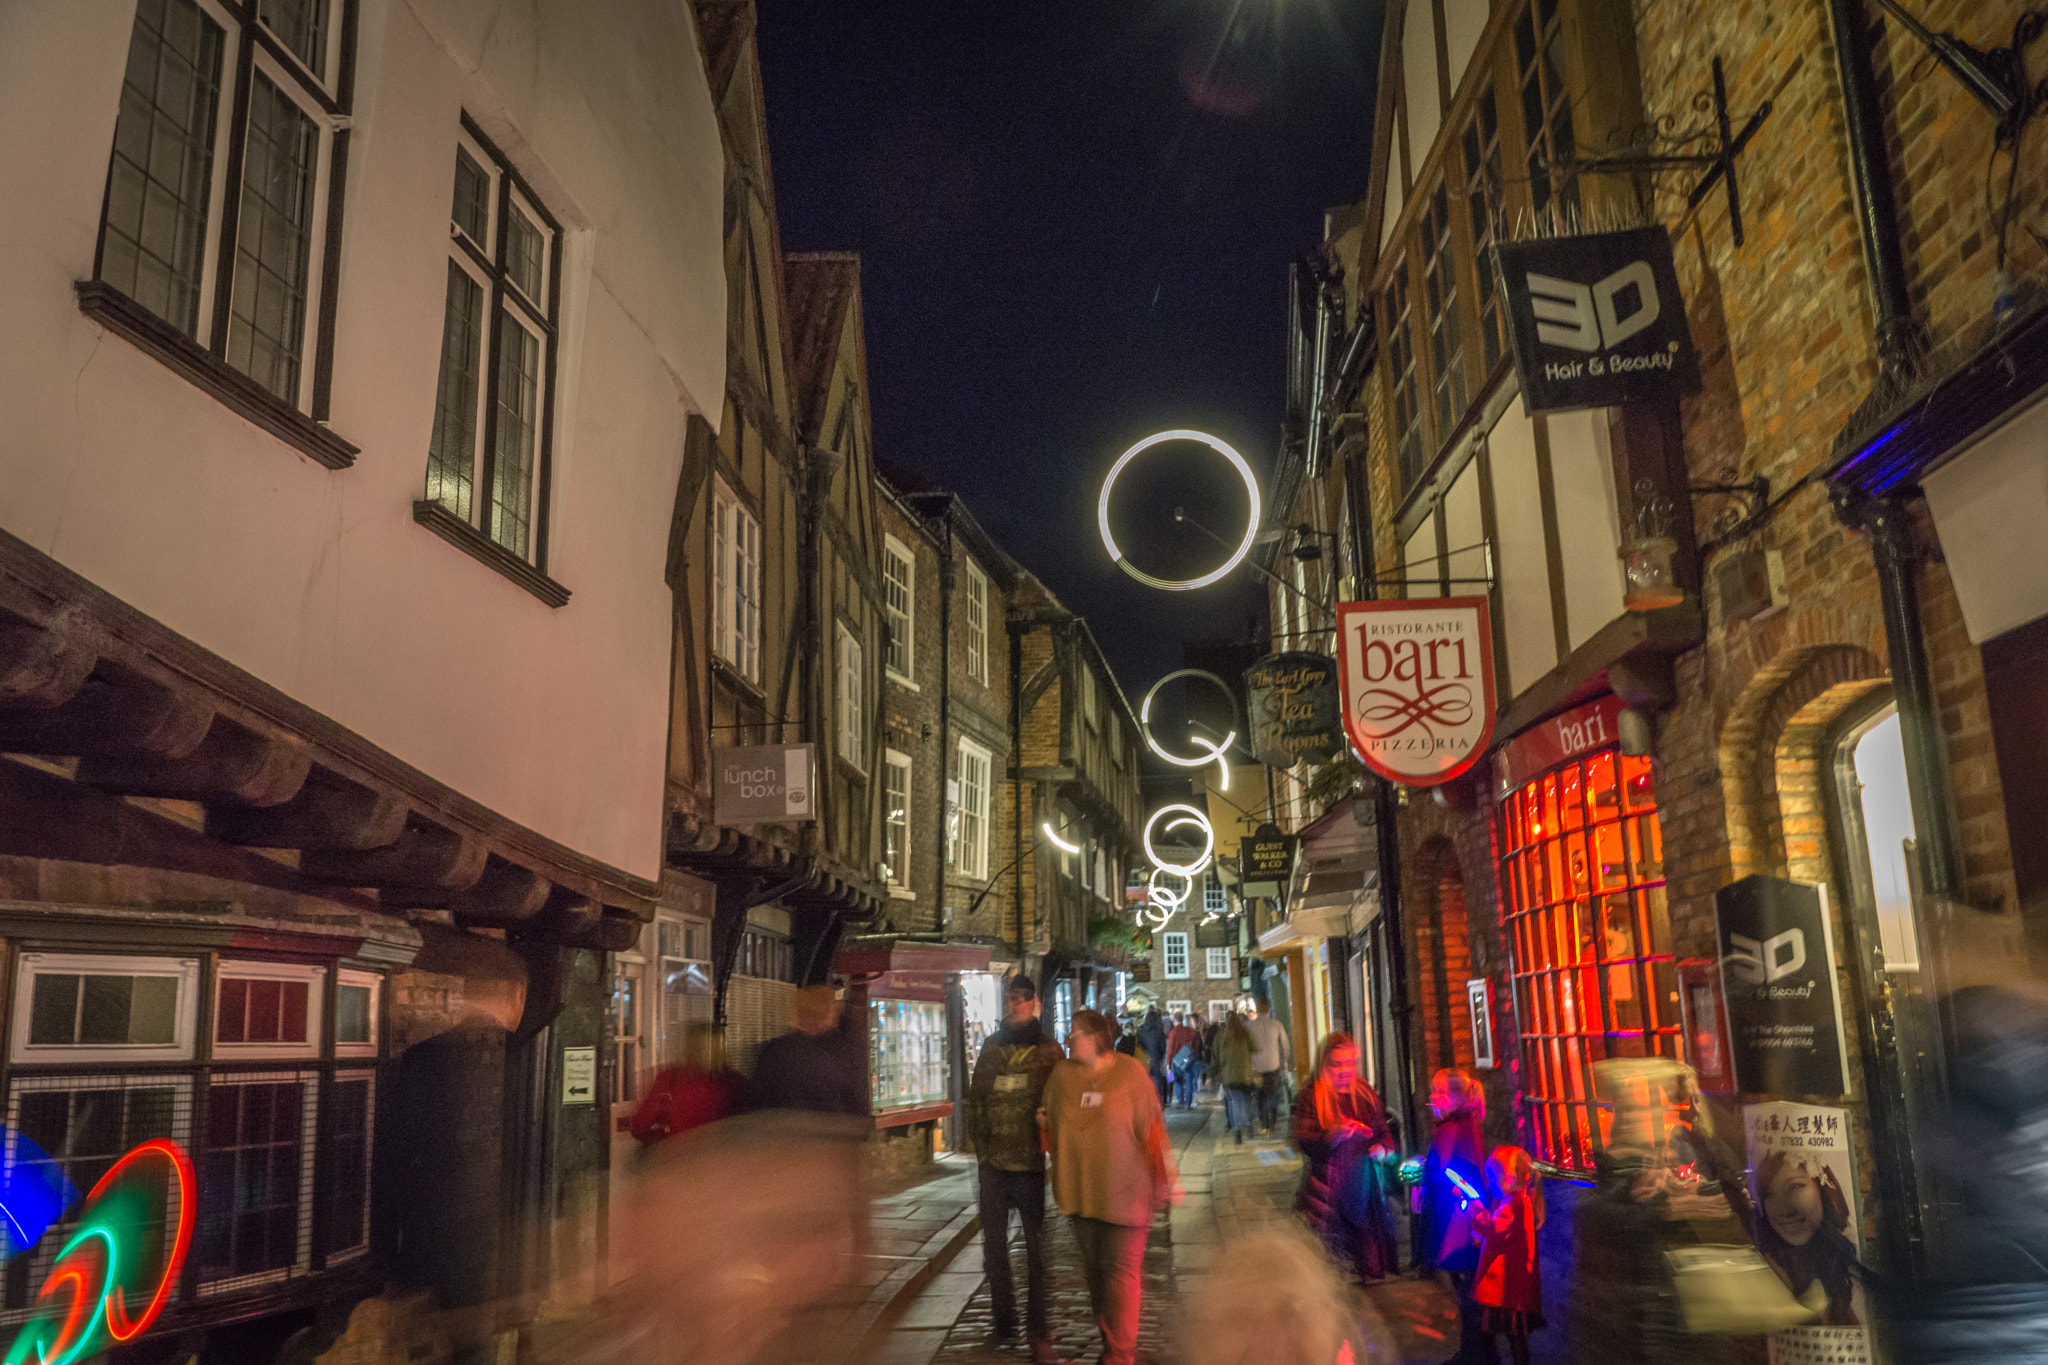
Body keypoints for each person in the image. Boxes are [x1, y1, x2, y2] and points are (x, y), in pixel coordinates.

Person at [1041, 1008, 1182, 1365]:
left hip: (1127, 1193)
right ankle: (1111, 1343)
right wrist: (1041, 1124)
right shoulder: (1062, 1076)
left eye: (1075, 1034)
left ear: (1096, 1038)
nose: (1069, 1040)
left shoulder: (1129, 1074)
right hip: (1081, 1192)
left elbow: (1152, 1132)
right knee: (1096, 1276)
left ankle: (1121, 1353)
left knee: (1121, 1273)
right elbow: (1049, 1125)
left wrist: (1167, 1179)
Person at [966, 976, 1065, 1362]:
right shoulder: (991, 1046)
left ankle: (1038, 1330)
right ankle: (1002, 1321)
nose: (1017, 1003)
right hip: (993, 1165)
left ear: (1035, 1003)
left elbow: (1061, 1099)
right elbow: (977, 1098)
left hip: (1028, 1164)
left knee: (1036, 1251)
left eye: (1024, 998)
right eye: (1012, 997)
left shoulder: (1048, 1050)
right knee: (993, 1250)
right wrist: (981, 1150)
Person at [1293, 1032, 1399, 1283]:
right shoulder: (1312, 1096)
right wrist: (1334, 1136)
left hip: (1363, 1192)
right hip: (1326, 1197)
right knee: (1327, 1273)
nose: (1344, 1071)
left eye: (1349, 1063)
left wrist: (1382, 1150)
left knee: (1367, 1272)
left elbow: (1385, 1134)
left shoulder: (1364, 1094)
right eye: (1337, 1064)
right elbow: (1304, 1141)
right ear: (1324, 1064)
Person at [1420, 1067, 1492, 1365]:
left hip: (1457, 1225)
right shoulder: (1468, 1123)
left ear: (1454, 1099)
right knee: (1470, 1291)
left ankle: (1476, 1355)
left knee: (1467, 1292)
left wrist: (1419, 1173)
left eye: (1438, 1093)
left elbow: (1444, 1172)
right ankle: (1479, 1352)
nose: (1432, 1098)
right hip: (1466, 1220)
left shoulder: (1450, 1129)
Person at [746, 985, 868, 1119]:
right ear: (824, 1015)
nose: (835, 1020)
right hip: (823, 1135)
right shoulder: (837, 1056)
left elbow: (756, 1105)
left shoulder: (771, 1051)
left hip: (776, 1134)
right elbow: (853, 1106)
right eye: (834, 1012)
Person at [1473, 1145, 1546, 1365]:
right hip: (1514, 1286)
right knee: (1516, 1338)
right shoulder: (1520, 1199)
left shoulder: (1511, 1205)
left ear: (1508, 1178)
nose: (1488, 1184)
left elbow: (1493, 1231)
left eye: (1491, 1179)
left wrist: (1474, 1209)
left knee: (1511, 1337)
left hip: (1506, 1289)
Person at [629, 1024, 746, 1147]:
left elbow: (639, 1127)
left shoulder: (669, 1079)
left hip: (680, 1158)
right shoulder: (734, 1082)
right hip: (722, 1158)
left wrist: (664, 1140)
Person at [1245, 998, 1292, 1133]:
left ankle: (1263, 1123)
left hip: (1256, 1067)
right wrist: (1284, 1060)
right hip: (1273, 1065)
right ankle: (1273, 1121)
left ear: (1257, 1010)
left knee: (1260, 1096)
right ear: (1269, 1010)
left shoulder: (1249, 1026)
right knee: (1272, 1094)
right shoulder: (1277, 1025)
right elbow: (1285, 1045)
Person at [1214, 1011, 1258, 1144]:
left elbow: (1216, 1057)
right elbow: (1254, 1048)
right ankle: (1249, 1127)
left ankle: (1237, 1131)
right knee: (1244, 1102)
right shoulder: (1245, 1034)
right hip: (1244, 1075)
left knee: (1233, 1104)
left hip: (1229, 1077)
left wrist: (1215, 1074)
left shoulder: (1221, 1037)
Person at [1166, 1012, 1202, 1108]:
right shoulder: (1190, 1031)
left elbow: (1171, 1049)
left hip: (1177, 1060)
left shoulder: (1173, 1032)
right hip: (1189, 1059)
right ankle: (1188, 1103)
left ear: (1175, 1020)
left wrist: (1168, 1063)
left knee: (1178, 1082)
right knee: (1189, 1080)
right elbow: (1195, 1046)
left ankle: (1181, 1102)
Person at [1138, 1006, 1170, 1105]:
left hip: (1143, 1058)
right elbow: (1163, 1047)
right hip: (1155, 1058)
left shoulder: (1141, 1030)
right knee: (1157, 1080)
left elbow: (1139, 1044)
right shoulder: (1159, 1031)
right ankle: (1158, 1101)